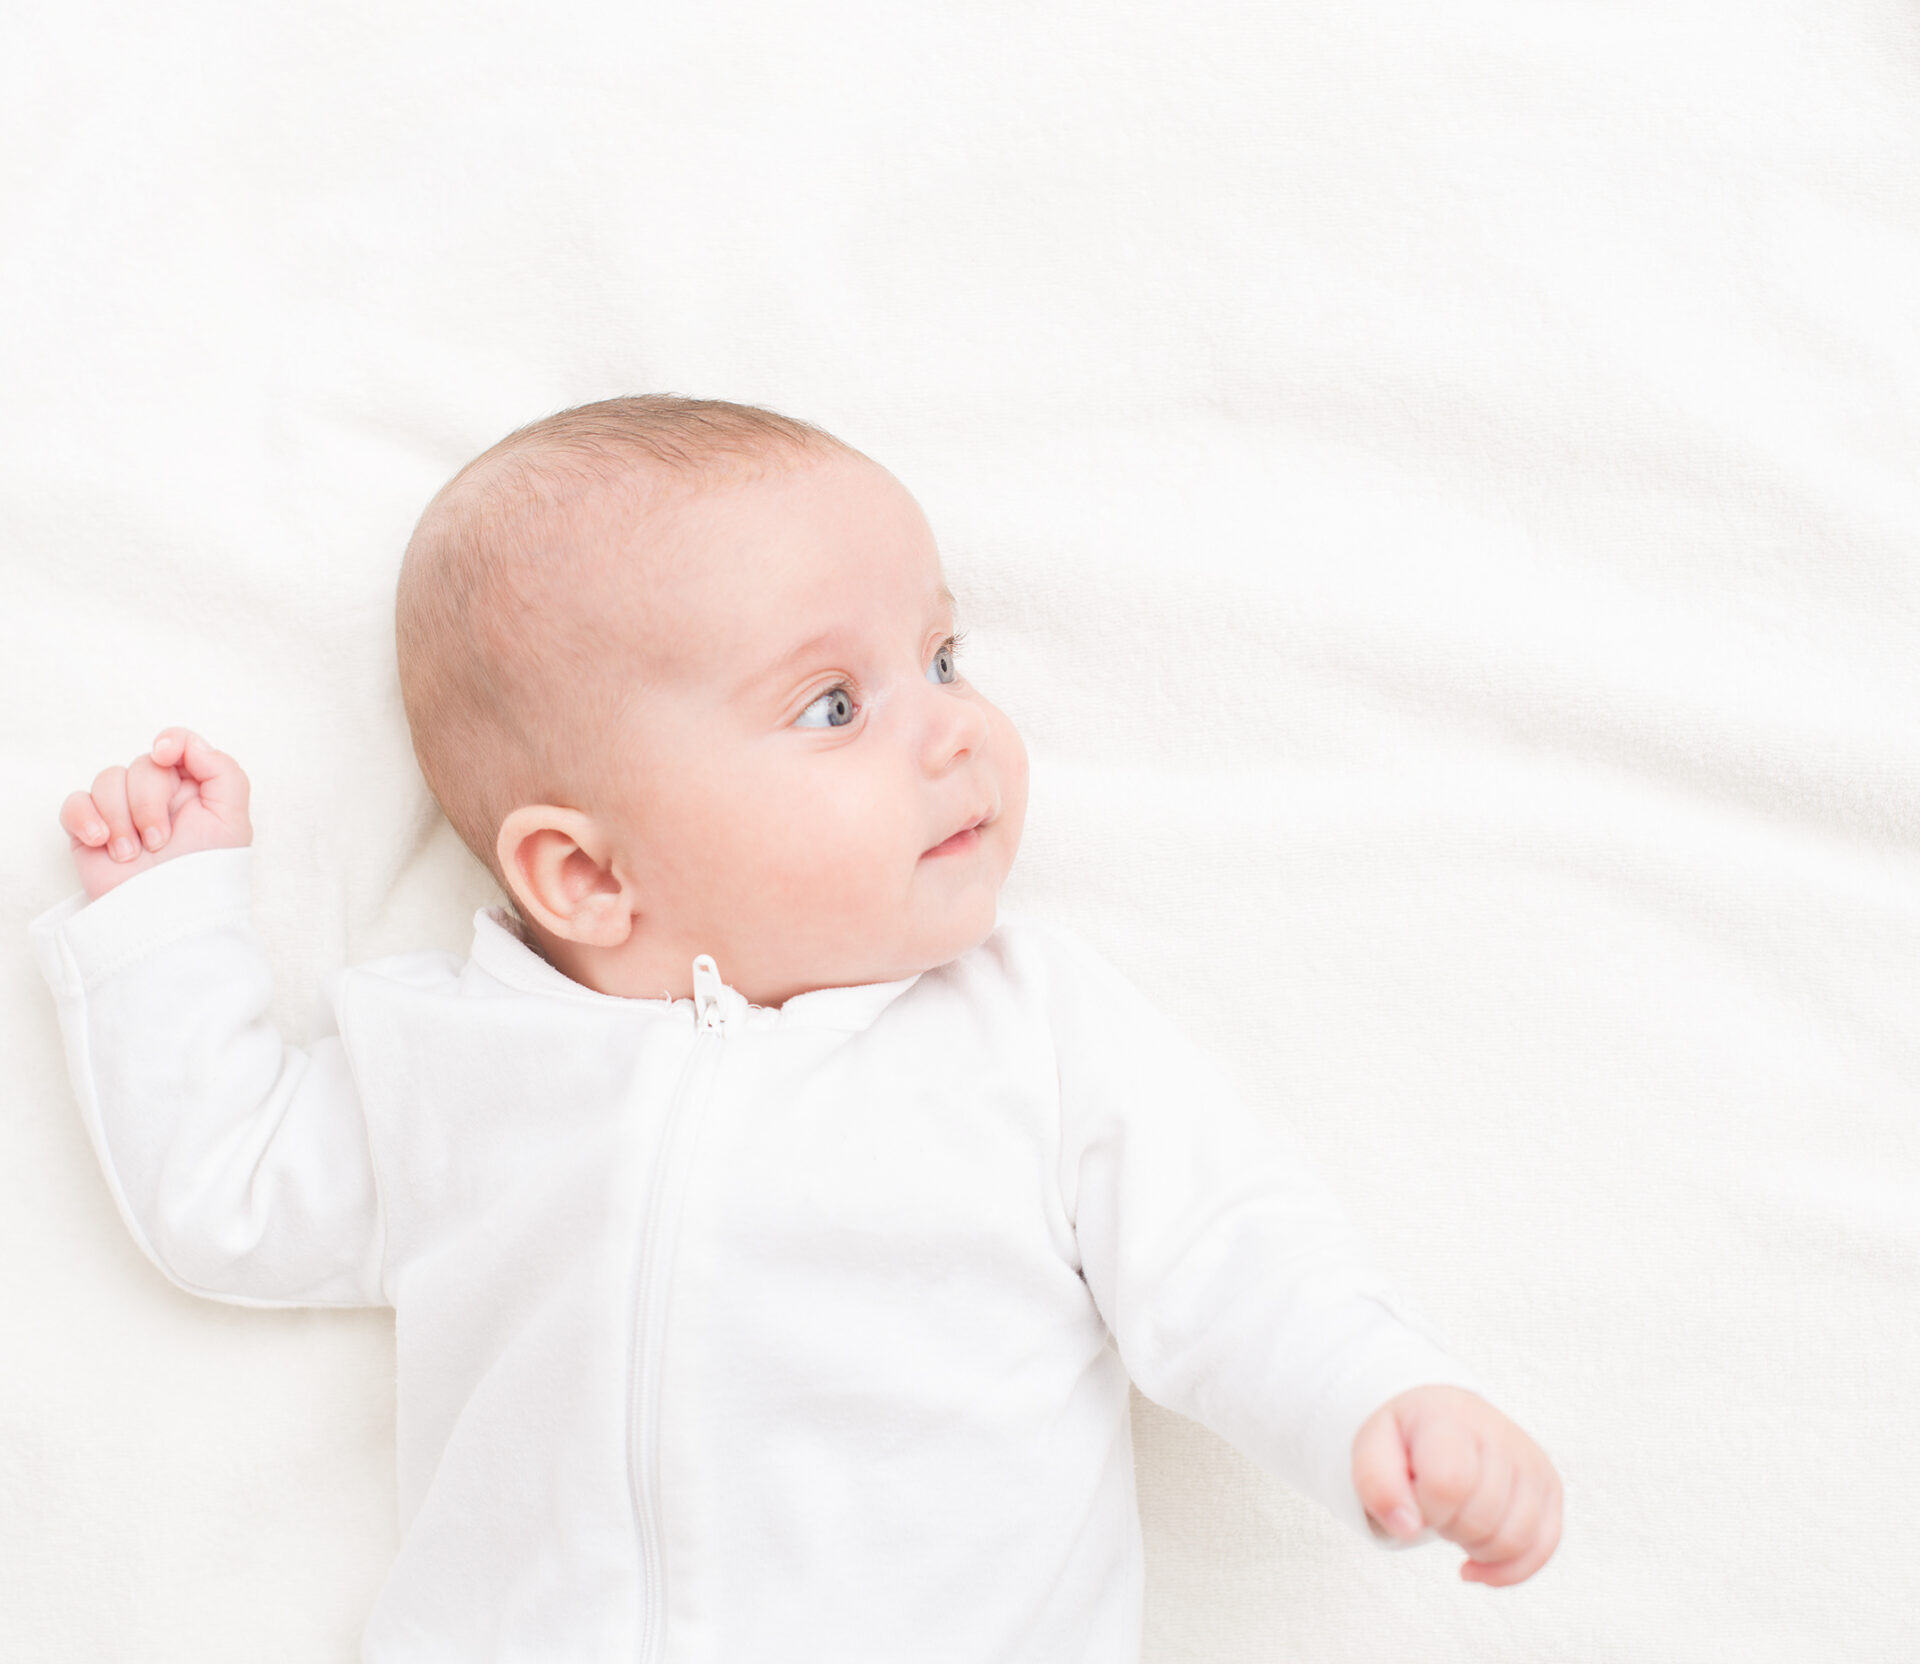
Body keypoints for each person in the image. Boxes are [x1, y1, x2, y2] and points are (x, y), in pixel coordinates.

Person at [30, 396, 1561, 1661]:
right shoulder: (455, 1063)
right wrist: (167, 918)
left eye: (943, 658)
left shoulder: (1023, 1034)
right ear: (585, 871)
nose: (953, 724)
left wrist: (1388, 1400)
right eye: (835, 705)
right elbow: (227, 1190)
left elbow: (1232, 1256)